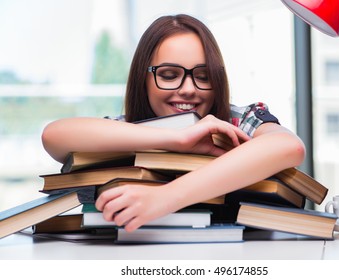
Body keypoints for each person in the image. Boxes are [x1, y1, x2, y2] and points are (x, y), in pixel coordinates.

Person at [41, 14, 305, 232]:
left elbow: (288, 147)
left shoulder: (239, 120)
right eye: (169, 75)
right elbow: (54, 136)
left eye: (203, 76)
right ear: (142, 79)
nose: (189, 89)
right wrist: (176, 139)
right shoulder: (125, 130)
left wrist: (164, 198)